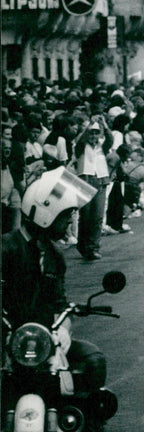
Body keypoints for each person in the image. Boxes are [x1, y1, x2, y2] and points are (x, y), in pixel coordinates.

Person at [2, 167, 107, 392]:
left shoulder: (54, 256)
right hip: (9, 339)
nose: (70, 222)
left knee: (94, 361)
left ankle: (84, 425)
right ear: (46, 214)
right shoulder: (6, 248)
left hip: (44, 339)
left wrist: (63, 330)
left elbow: (60, 304)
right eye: (65, 215)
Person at [74, 117, 113, 261]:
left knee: (97, 216)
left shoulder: (102, 147)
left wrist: (105, 125)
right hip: (85, 180)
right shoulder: (81, 147)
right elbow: (79, 141)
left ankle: (93, 247)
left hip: (100, 180)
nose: (94, 136)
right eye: (91, 133)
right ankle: (83, 244)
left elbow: (110, 139)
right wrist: (88, 126)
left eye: (96, 133)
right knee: (86, 215)